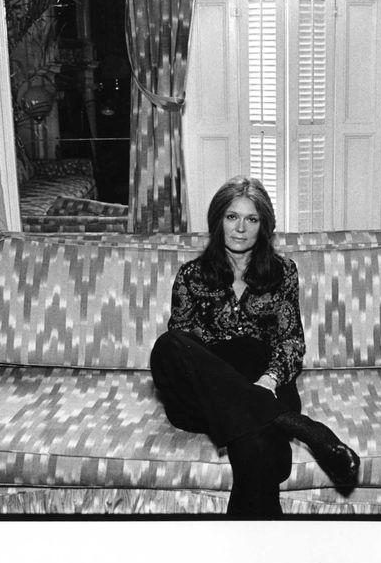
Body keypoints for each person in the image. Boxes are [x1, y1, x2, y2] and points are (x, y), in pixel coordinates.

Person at [149, 176, 360, 518]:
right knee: (168, 345)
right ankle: (301, 428)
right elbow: (184, 351)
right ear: (218, 220)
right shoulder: (191, 275)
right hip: (205, 398)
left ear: (264, 226)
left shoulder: (283, 272)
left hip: (267, 386)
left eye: (252, 219)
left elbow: (291, 340)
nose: (241, 229)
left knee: (259, 442)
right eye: (232, 217)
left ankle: (249, 559)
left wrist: (270, 380)